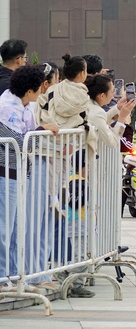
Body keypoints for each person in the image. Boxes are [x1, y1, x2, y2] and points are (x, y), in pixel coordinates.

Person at [0, 65, 59, 291]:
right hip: (6, 173)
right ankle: (3, 279)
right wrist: (43, 130)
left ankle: (14, 277)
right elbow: (18, 143)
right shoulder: (6, 107)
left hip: (19, 174)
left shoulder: (25, 105)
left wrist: (39, 132)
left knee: (16, 229)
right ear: (31, 90)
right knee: (4, 230)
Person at [55, 150, 96, 298]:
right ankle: (69, 277)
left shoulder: (74, 178)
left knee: (83, 255)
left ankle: (73, 279)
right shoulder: (78, 181)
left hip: (80, 222)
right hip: (79, 222)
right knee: (81, 256)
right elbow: (76, 202)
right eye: (90, 164)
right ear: (84, 165)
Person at [85, 73, 136, 148]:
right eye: (112, 91)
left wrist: (118, 107)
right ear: (102, 96)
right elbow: (112, 143)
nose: (113, 95)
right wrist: (122, 117)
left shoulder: (88, 105)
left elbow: (102, 120)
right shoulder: (97, 112)